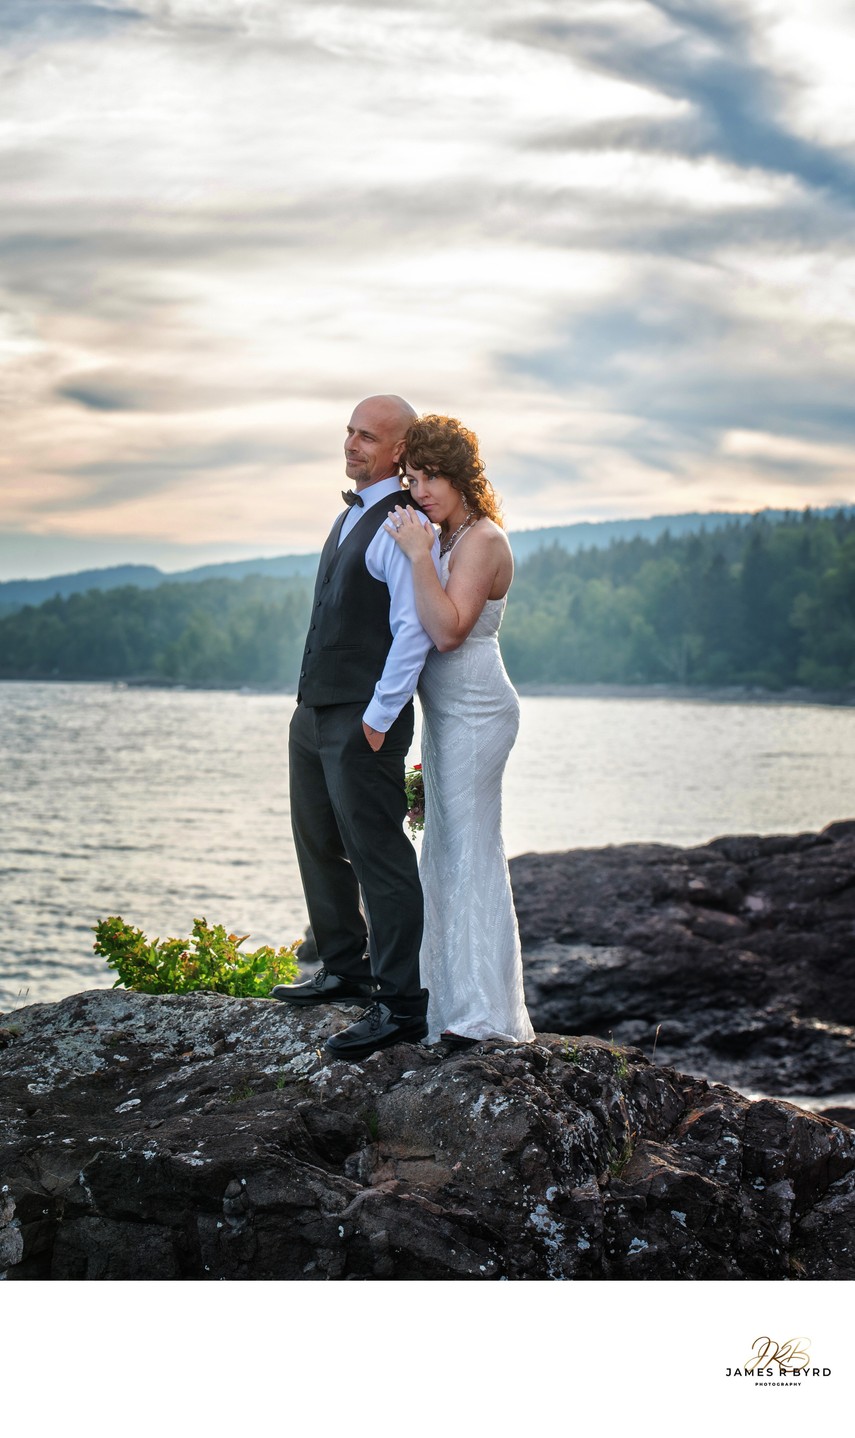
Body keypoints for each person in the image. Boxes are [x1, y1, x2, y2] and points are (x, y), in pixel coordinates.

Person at [272, 394, 439, 1062]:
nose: (352, 444)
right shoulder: (350, 518)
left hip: (362, 717)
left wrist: (377, 718)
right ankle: (344, 966)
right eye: (349, 432)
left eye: (367, 436)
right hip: (314, 710)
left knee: (378, 854)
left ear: (399, 450)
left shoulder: (400, 523)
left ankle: (400, 1005)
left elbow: (411, 631)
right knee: (317, 840)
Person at [384, 414, 535, 1047]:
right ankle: (446, 1004)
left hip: (477, 710)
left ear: (461, 474)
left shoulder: (481, 540)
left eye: (430, 476)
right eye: (411, 478)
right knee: (442, 849)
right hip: (445, 717)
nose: (419, 490)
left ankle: (481, 1016)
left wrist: (418, 556)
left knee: (469, 848)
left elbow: (448, 631)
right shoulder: (446, 535)